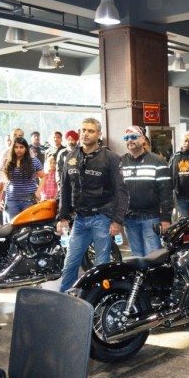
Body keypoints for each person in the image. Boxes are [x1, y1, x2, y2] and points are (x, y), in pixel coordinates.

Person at [57, 118, 129, 292]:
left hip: (102, 219)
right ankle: (64, 302)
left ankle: (99, 301)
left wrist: (117, 220)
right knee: (69, 265)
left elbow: (121, 191)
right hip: (80, 220)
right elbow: (65, 189)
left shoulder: (110, 158)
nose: (85, 134)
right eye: (83, 130)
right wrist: (63, 216)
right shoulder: (70, 157)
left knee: (100, 267)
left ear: (99, 134)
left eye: (90, 131)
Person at [121, 126, 172, 257]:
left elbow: (166, 192)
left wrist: (166, 219)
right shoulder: (120, 162)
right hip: (129, 218)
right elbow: (117, 192)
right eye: (126, 138)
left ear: (143, 139)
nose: (130, 140)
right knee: (137, 256)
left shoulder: (158, 161)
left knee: (153, 255)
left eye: (134, 137)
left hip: (151, 217)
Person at [2, 137, 45, 220]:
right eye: (16, 147)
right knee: (13, 227)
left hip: (29, 200)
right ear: (12, 148)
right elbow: (5, 181)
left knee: (29, 227)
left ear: (26, 148)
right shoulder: (8, 162)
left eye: (21, 147)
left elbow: (43, 176)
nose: (19, 150)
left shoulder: (34, 161)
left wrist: (38, 192)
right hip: (12, 200)